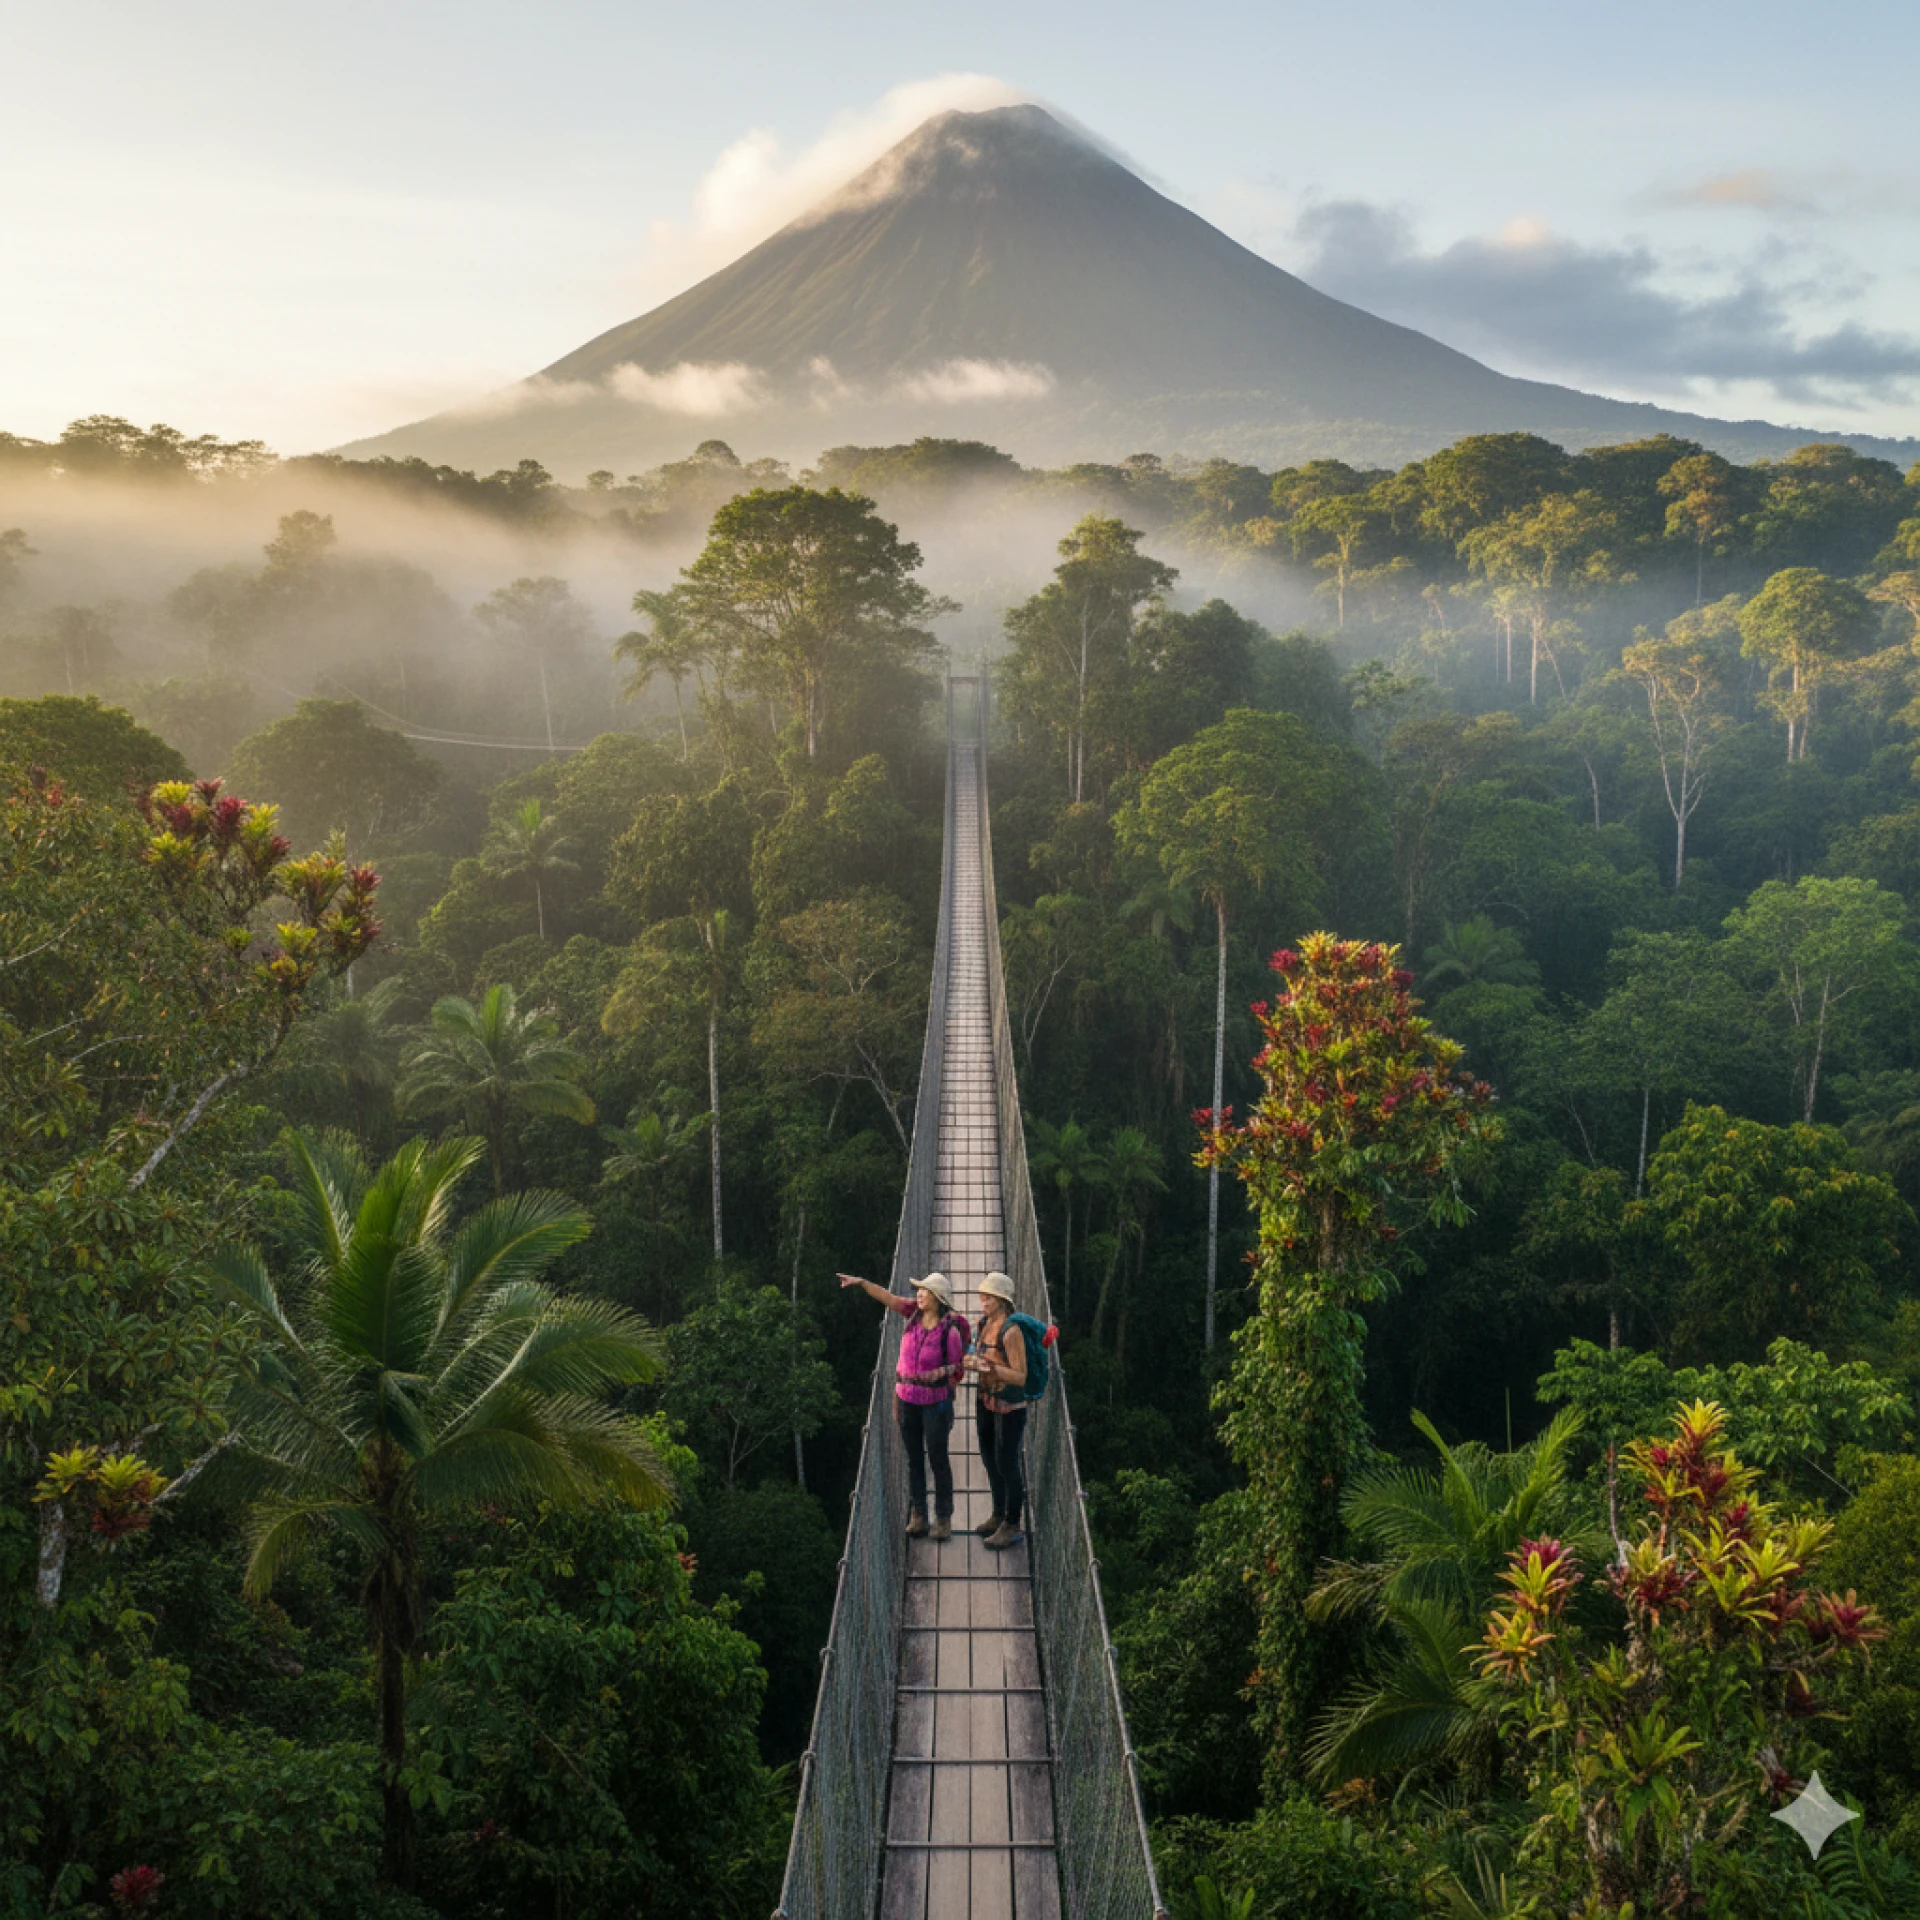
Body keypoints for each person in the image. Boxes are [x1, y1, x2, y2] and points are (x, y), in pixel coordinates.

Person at [838, 1269, 966, 1542]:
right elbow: (887, 1298)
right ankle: (919, 1514)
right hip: (906, 1401)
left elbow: (958, 1369)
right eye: (919, 1290)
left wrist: (940, 1388)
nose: (919, 1295)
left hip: (935, 1405)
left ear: (938, 1297)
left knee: (938, 1460)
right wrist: (862, 1281)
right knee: (914, 1460)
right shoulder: (912, 1315)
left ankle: (943, 1518)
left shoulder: (950, 1332)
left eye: (925, 1291)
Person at [966, 1270, 1028, 1551]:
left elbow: (1020, 1376)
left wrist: (992, 1368)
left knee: (1007, 1463)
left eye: (988, 1296)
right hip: (985, 1399)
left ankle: (1013, 1524)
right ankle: (998, 1514)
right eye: (982, 1295)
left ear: (1002, 1300)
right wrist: (970, 1362)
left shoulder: (1011, 1331)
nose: (983, 1301)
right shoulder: (982, 1323)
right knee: (989, 1458)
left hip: (1010, 1407)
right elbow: (974, 1353)